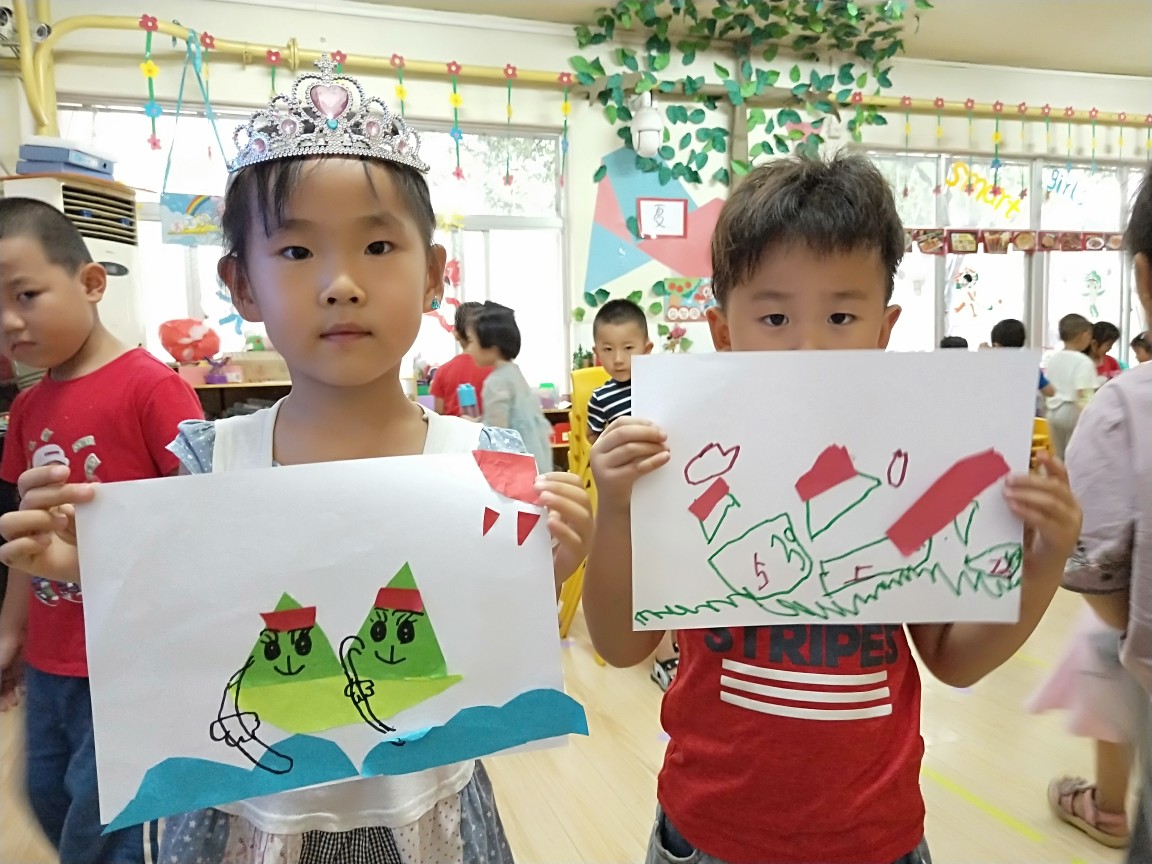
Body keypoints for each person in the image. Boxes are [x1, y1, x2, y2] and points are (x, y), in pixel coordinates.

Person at [0, 56, 593, 864]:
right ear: (241, 285)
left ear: (433, 276)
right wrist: (91, 565)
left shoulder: (482, 466)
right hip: (252, 818)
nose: (341, 283)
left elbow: (488, 646)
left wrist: (549, 566)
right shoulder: (212, 462)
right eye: (295, 252)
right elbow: (185, 625)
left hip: (428, 811)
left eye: (378, 245)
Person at [582, 152, 1082, 864]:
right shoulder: (683, 455)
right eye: (775, 316)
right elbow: (620, 645)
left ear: (884, 327)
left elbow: (954, 660)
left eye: (841, 315)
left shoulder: (908, 467)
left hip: (877, 837)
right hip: (712, 833)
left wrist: (1045, 560)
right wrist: (617, 510)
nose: (809, 345)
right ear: (723, 331)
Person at [0, 197, 204, 863]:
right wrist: (11, 629)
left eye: (25, 294)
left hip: (130, 658)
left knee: (108, 826)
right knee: (45, 794)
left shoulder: (153, 389)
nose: (8, 321)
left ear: (90, 283)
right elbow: (25, 543)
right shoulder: (27, 408)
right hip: (51, 656)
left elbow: (200, 524)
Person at [1062, 165, 1152, 863]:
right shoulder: (1107, 382)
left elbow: (1099, 576)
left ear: (1142, 278)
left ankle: (1105, 802)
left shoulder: (1128, 403)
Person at [586, 299, 678, 690]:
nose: (618, 358)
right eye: (608, 349)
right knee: (646, 577)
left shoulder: (664, 389)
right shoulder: (601, 398)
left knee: (672, 570)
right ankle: (665, 657)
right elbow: (593, 440)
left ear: (647, 348)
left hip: (668, 492)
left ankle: (677, 646)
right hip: (629, 501)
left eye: (628, 348)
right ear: (596, 352)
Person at [467, 302, 555, 474]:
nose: (469, 350)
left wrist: (471, 426)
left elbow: (496, 436)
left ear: (491, 347)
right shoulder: (514, 373)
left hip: (520, 472)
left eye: (471, 341)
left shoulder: (496, 382)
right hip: (540, 465)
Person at [1045, 313, 1096, 459]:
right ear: (1084, 335)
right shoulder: (1083, 361)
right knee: (1074, 456)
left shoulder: (1053, 358)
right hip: (1071, 411)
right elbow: (1083, 394)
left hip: (1052, 411)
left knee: (1059, 455)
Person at [430, 300, 492, 417]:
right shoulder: (497, 369)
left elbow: (438, 415)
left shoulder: (443, 371)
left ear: (456, 333)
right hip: (490, 428)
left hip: (453, 428)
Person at [989, 317, 1057, 401]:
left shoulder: (991, 365)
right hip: (1022, 408)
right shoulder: (1028, 366)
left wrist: (983, 356)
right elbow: (1050, 391)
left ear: (996, 346)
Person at [1085, 320, 1122, 386]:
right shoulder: (1082, 363)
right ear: (1094, 344)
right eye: (1109, 345)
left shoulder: (1112, 362)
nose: (1110, 348)